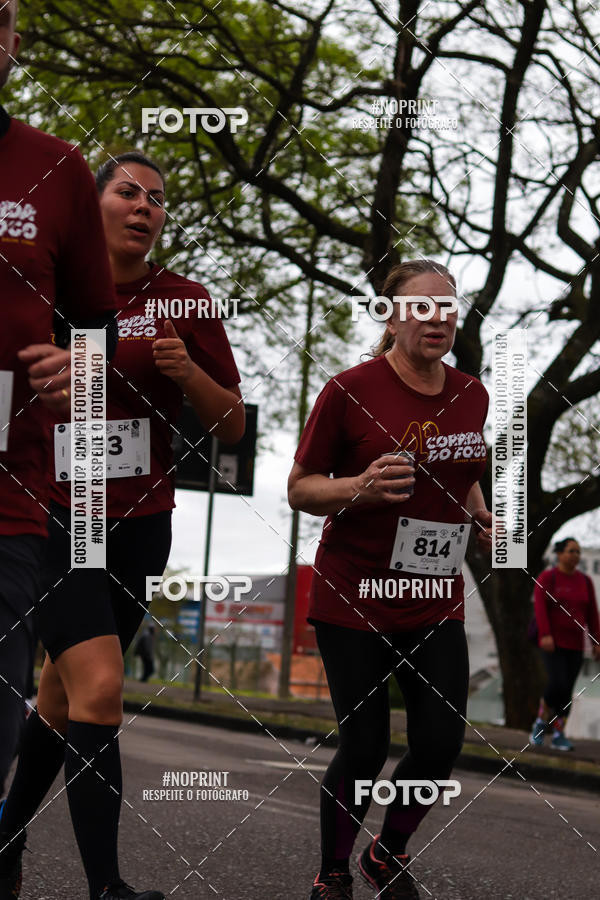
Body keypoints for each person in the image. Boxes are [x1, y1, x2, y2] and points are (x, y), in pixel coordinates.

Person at [0, 151, 244, 900]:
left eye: (159, 199)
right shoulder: (44, 292)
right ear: (90, 202)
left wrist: (189, 375)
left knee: (62, 699)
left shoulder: (186, 302)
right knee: (101, 690)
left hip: (143, 524)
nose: (145, 206)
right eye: (128, 191)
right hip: (59, 515)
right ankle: (107, 888)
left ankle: (4, 836)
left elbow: (230, 426)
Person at [288, 259, 492, 899]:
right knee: (367, 745)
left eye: (448, 306)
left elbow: (462, 464)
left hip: (432, 593)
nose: (438, 317)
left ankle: (389, 850)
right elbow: (299, 489)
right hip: (356, 595)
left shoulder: (473, 392)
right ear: (392, 315)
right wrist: (360, 487)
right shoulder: (349, 390)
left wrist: (479, 510)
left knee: (439, 745)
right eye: (422, 306)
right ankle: (334, 870)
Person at [0, 0, 117, 801]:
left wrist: (78, 368)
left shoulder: (57, 167)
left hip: (9, 494)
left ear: (11, 42)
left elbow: (95, 329)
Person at [530, 537, 600, 751]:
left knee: (567, 690)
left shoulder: (585, 581)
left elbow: (592, 614)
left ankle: (560, 733)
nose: (576, 556)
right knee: (557, 683)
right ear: (559, 554)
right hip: (553, 643)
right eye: (571, 551)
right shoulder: (548, 577)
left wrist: (596, 641)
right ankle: (541, 723)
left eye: (578, 552)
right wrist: (545, 634)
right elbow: (540, 608)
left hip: (576, 646)